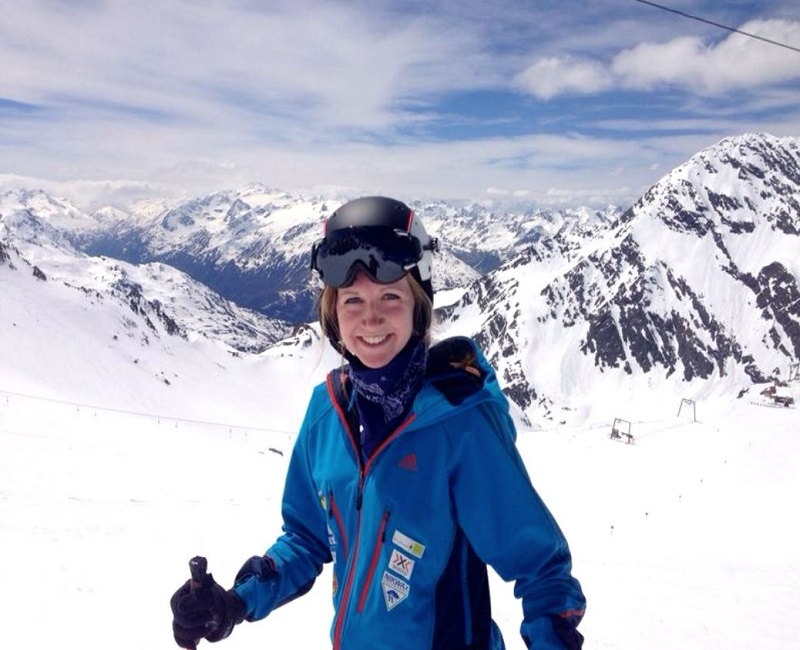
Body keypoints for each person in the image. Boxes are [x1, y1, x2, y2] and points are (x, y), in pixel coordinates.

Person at [170, 196, 586, 650]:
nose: (370, 318)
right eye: (352, 300)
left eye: (390, 296)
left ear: (418, 307)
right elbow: (306, 539)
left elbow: (541, 569)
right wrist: (235, 603)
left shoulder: (459, 424)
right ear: (333, 313)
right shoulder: (327, 413)